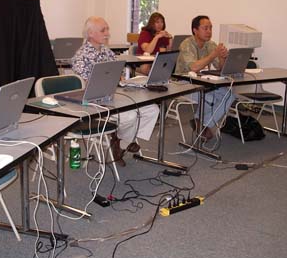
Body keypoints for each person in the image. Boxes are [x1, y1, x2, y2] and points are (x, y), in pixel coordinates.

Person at [71, 16, 160, 166]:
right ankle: (121, 140)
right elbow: (86, 86)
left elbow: (118, 72)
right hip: (95, 102)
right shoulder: (81, 56)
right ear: (91, 33)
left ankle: (122, 141)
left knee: (152, 109)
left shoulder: (106, 51)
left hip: (115, 94)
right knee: (131, 116)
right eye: (103, 30)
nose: (107, 33)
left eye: (107, 29)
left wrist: (123, 82)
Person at [175, 15, 235, 140]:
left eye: (210, 28)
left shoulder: (210, 44)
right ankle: (202, 124)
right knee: (209, 97)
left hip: (203, 82)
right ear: (195, 30)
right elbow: (194, 68)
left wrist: (223, 57)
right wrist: (214, 54)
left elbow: (220, 68)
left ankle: (202, 123)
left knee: (229, 95)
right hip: (183, 83)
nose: (209, 31)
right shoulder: (186, 44)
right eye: (205, 28)